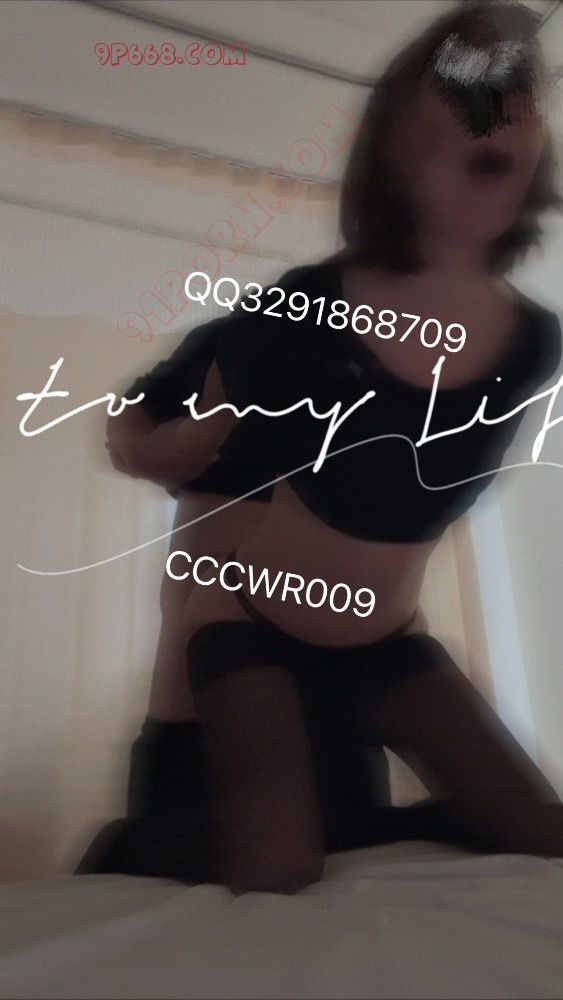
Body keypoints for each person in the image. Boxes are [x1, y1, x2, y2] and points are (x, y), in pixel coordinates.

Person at [76, 0, 563, 891]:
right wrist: (176, 448)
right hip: (249, 626)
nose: (496, 121)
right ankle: (123, 859)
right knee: (276, 864)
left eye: (514, 103)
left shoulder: (532, 343)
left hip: (384, 641)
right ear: (398, 150)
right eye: (464, 108)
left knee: (540, 833)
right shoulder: (293, 313)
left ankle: (392, 836)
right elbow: (139, 427)